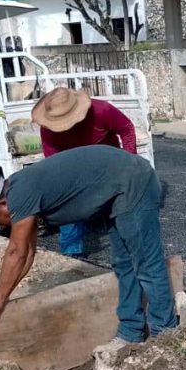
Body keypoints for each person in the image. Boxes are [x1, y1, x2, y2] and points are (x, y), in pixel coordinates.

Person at [0, 145, 177, 342]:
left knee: (146, 264)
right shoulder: (20, 190)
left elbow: (16, 252)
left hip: (132, 182)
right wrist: (3, 297)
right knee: (123, 263)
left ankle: (164, 334)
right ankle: (131, 332)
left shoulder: (19, 195)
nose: (0, 225)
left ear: (2, 204)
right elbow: (28, 253)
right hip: (116, 188)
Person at [32, 87, 137, 258]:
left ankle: (129, 248)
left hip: (107, 163)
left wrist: (128, 160)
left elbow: (126, 129)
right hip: (72, 168)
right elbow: (54, 162)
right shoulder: (48, 129)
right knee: (67, 203)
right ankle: (72, 254)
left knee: (121, 207)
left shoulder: (102, 110)